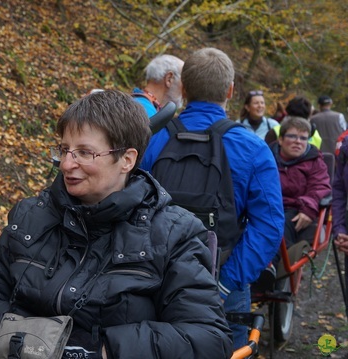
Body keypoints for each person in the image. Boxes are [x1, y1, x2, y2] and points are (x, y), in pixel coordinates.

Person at [0, 90, 232, 358]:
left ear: (127, 159)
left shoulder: (173, 234)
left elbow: (208, 337)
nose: (66, 164)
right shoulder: (30, 217)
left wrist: (104, 349)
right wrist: (28, 337)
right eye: (64, 150)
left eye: (84, 153)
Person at [141, 47, 284, 350]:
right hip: (222, 284)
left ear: (183, 88)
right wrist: (224, 283)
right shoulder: (253, 148)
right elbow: (269, 226)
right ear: (231, 90)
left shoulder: (152, 138)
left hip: (153, 281)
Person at [270, 116, 330, 249]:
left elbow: (320, 187)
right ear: (280, 139)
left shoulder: (314, 161)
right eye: (292, 136)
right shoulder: (266, 158)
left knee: (282, 224)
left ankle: (277, 267)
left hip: (297, 208)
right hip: (269, 206)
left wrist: (308, 208)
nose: (298, 142)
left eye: (303, 138)